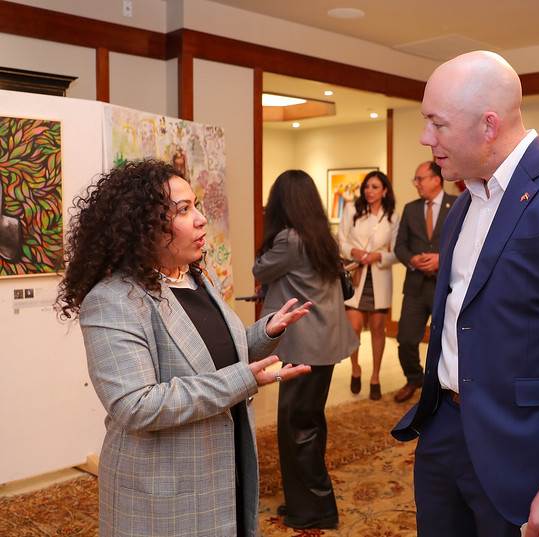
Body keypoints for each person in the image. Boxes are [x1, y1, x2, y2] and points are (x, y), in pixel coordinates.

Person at [392, 51, 539, 537]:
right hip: (444, 435)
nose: (425, 138)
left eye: (437, 123)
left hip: (526, 453)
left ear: (489, 125)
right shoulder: (464, 205)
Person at [56, 159, 312, 537]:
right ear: (142, 224)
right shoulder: (113, 299)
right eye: (183, 210)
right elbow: (136, 404)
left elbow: (211, 357)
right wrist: (244, 379)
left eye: (196, 206)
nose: (201, 219)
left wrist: (264, 333)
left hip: (220, 466)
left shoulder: (195, 279)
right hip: (164, 489)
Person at [253, 169, 358, 530]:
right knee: (308, 423)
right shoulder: (319, 235)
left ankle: (316, 510)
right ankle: (306, 501)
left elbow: (259, 269)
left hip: (306, 346)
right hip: (323, 341)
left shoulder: (288, 239)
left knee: (297, 428)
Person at [393, 160, 456, 403]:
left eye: (420, 179)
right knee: (406, 339)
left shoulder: (457, 205)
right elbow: (399, 246)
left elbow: (468, 243)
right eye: (416, 180)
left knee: (445, 340)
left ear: (436, 179)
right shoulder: (410, 209)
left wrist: (442, 259)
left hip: (445, 286)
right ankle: (414, 378)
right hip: (415, 287)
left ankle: (442, 386)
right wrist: (412, 260)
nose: (416, 184)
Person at [338, 170, 399, 400]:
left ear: (384, 191)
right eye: (367, 187)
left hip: (379, 277)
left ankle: (375, 376)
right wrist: (353, 251)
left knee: (377, 329)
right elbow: (341, 240)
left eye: (375, 187)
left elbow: (397, 252)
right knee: (353, 328)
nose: (369, 191)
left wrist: (379, 256)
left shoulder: (392, 216)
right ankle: (355, 368)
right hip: (356, 274)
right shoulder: (351, 209)